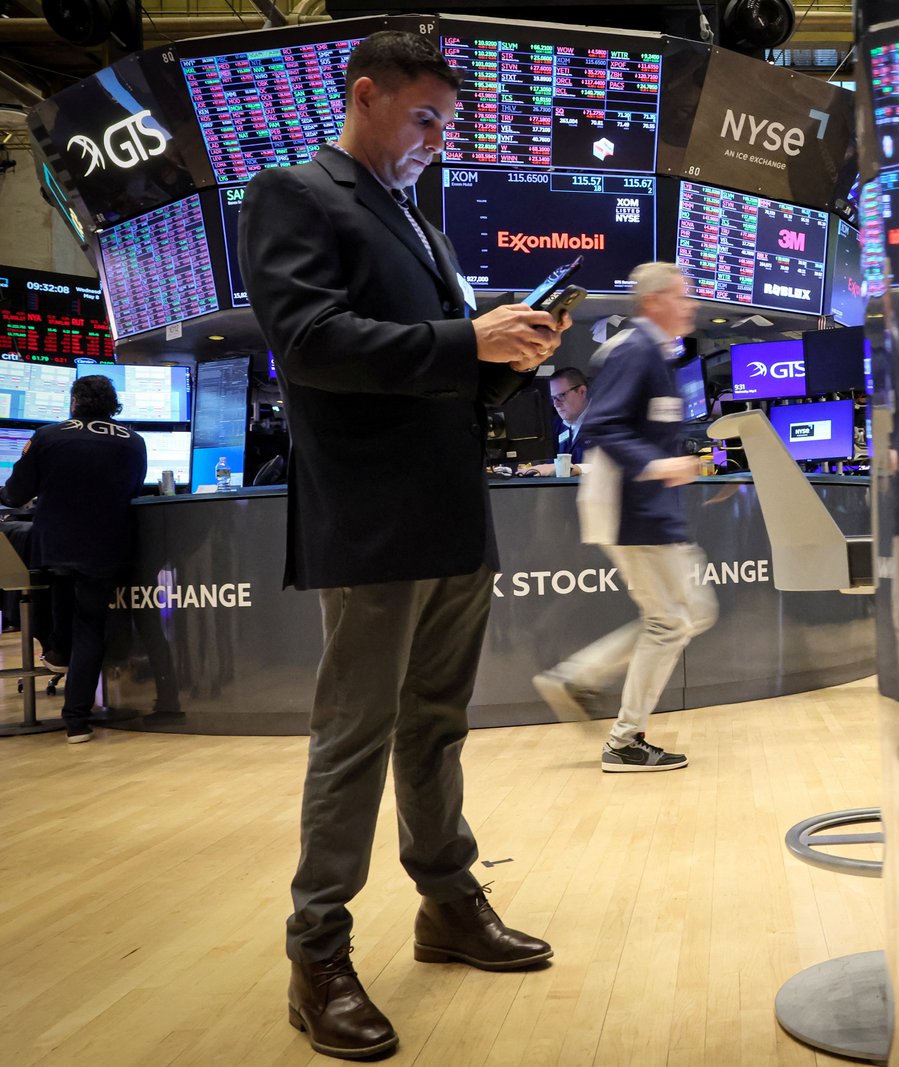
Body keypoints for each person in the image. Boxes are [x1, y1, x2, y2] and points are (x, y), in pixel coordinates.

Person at [238, 30, 568, 1060]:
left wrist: (506, 358)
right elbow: (310, 341)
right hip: (372, 518)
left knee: (436, 725)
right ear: (366, 95)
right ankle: (317, 951)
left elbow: (435, 373)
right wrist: (467, 339)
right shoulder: (295, 193)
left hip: (451, 511)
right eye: (424, 117)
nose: (438, 138)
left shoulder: (416, 219)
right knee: (355, 737)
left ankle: (446, 902)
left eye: (447, 123)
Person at [534, 262, 718, 771]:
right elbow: (602, 426)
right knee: (671, 621)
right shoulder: (633, 351)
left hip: (648, 506)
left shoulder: (653, 354)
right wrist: (660, 464)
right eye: (683, 296)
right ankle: (623, 739)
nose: (691, 305)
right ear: (655, 300)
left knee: (690, 614)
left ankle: (579, 679)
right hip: (630, 507)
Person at [1, 374, 145, 743]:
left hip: (56, 546)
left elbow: (15, 496)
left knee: (55, 597)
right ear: (113, 405)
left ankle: (55, 652)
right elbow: (133, 489)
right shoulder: (134, 441)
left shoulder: (47, 436)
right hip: (105, 547)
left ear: (74, 402)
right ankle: (76, 721)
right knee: (90, 627)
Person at [530, 366, 588, 476]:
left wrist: (575, 468)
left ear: (582, 392)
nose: (556, 404)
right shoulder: (558, 424)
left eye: (561, 395)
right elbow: (551, 463)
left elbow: (613, 466)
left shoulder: (606, 422)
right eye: (553, 398)